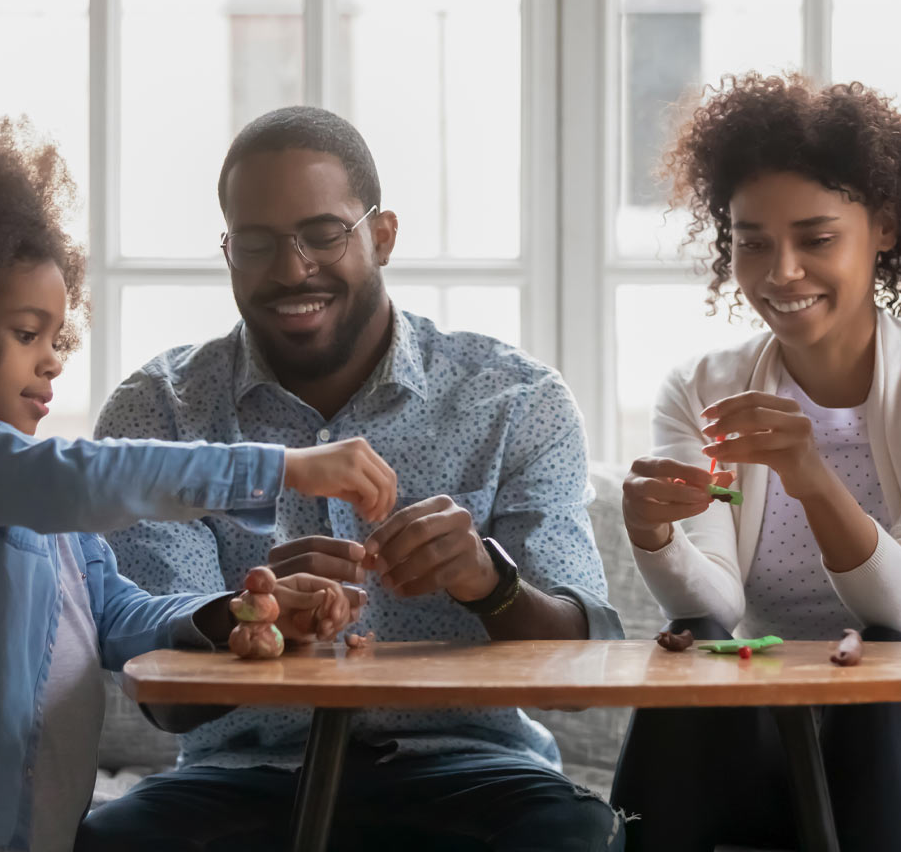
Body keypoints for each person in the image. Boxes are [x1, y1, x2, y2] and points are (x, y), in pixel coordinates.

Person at [79, 106, 626, 851]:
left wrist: (489, 584)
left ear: (383, 235)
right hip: (244, 775)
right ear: (228, 251)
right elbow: (168, 707)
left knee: (576, 840)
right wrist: (250, 616)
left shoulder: (515, 401)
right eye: (257, 242)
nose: (292, 267)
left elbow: (581, 673)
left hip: (474, 771)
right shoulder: (160, 412)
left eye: (323, 233)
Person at [611, 73, 901, 851]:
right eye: (753, 243)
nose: (781, 273)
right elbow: (709, 595)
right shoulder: (702, 386)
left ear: (882, 228)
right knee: (695, 643)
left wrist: (811, 479)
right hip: (768, 747)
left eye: (816, 240)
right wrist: (655, 536)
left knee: (883, 664)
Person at [0, 114, 372, 852]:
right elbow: (89, 478)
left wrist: (236, 616)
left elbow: (122, 615)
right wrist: (283, 466)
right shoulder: (23, 475)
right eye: (26, 334)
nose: (53, 361)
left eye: (58, 339)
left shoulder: (53, 519)